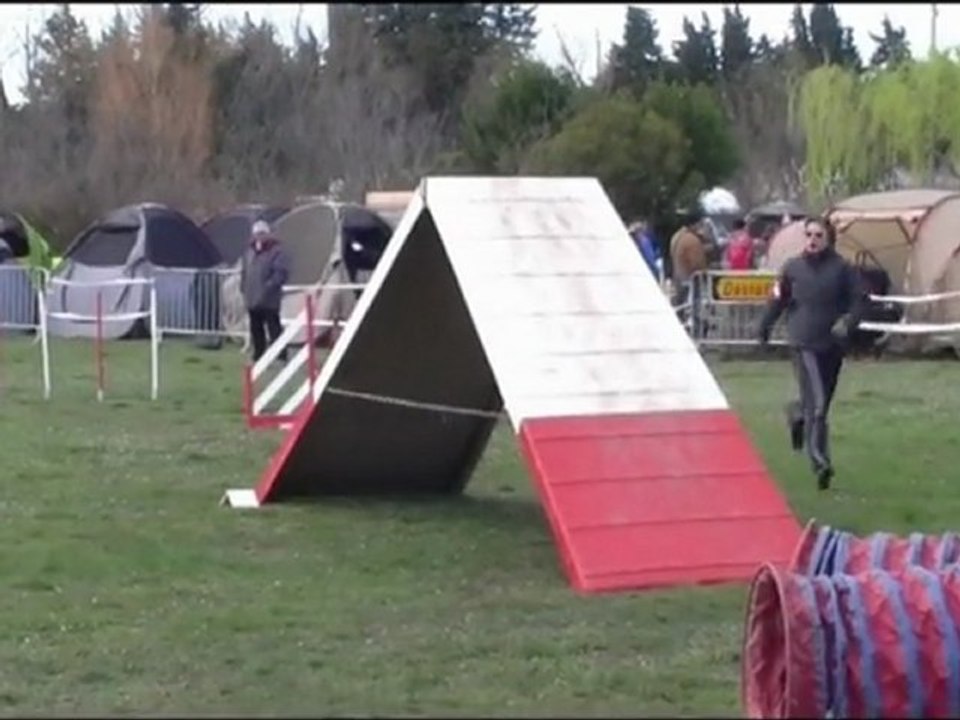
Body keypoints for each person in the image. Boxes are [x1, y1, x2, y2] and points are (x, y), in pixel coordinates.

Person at [757, 217, 866, 490]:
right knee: (817, 405)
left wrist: (848, 323)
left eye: (818, 235)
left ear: (828, 239)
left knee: (819, 406)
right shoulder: (792, 268)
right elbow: (777, 299)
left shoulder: (843, 269)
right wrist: (764, 327)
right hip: (802, 342)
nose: (813, 240)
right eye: (808, 235)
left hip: (832, 346)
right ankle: (821, 462)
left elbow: (859, 301)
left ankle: (796, 415)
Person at [241, 220, 290, 362]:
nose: (259, 237)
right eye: (256, 234)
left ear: (268, 234)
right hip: (252, 297)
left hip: (269, 299)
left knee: (273, 327)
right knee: (256, 329)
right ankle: (258, 354)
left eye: (262, 233)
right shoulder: (249, 252)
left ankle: (281, 355)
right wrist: (244, 288)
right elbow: (245, 272)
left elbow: (280, 273)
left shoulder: (277, 252)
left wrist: (268, 287)